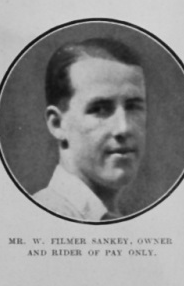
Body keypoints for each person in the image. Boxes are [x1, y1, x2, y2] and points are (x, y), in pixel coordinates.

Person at [33, 38, 147, 222]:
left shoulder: (121, 219)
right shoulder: (39, 219)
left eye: (133, 106)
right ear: (57, 124)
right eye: (100, 109)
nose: (123, 128)